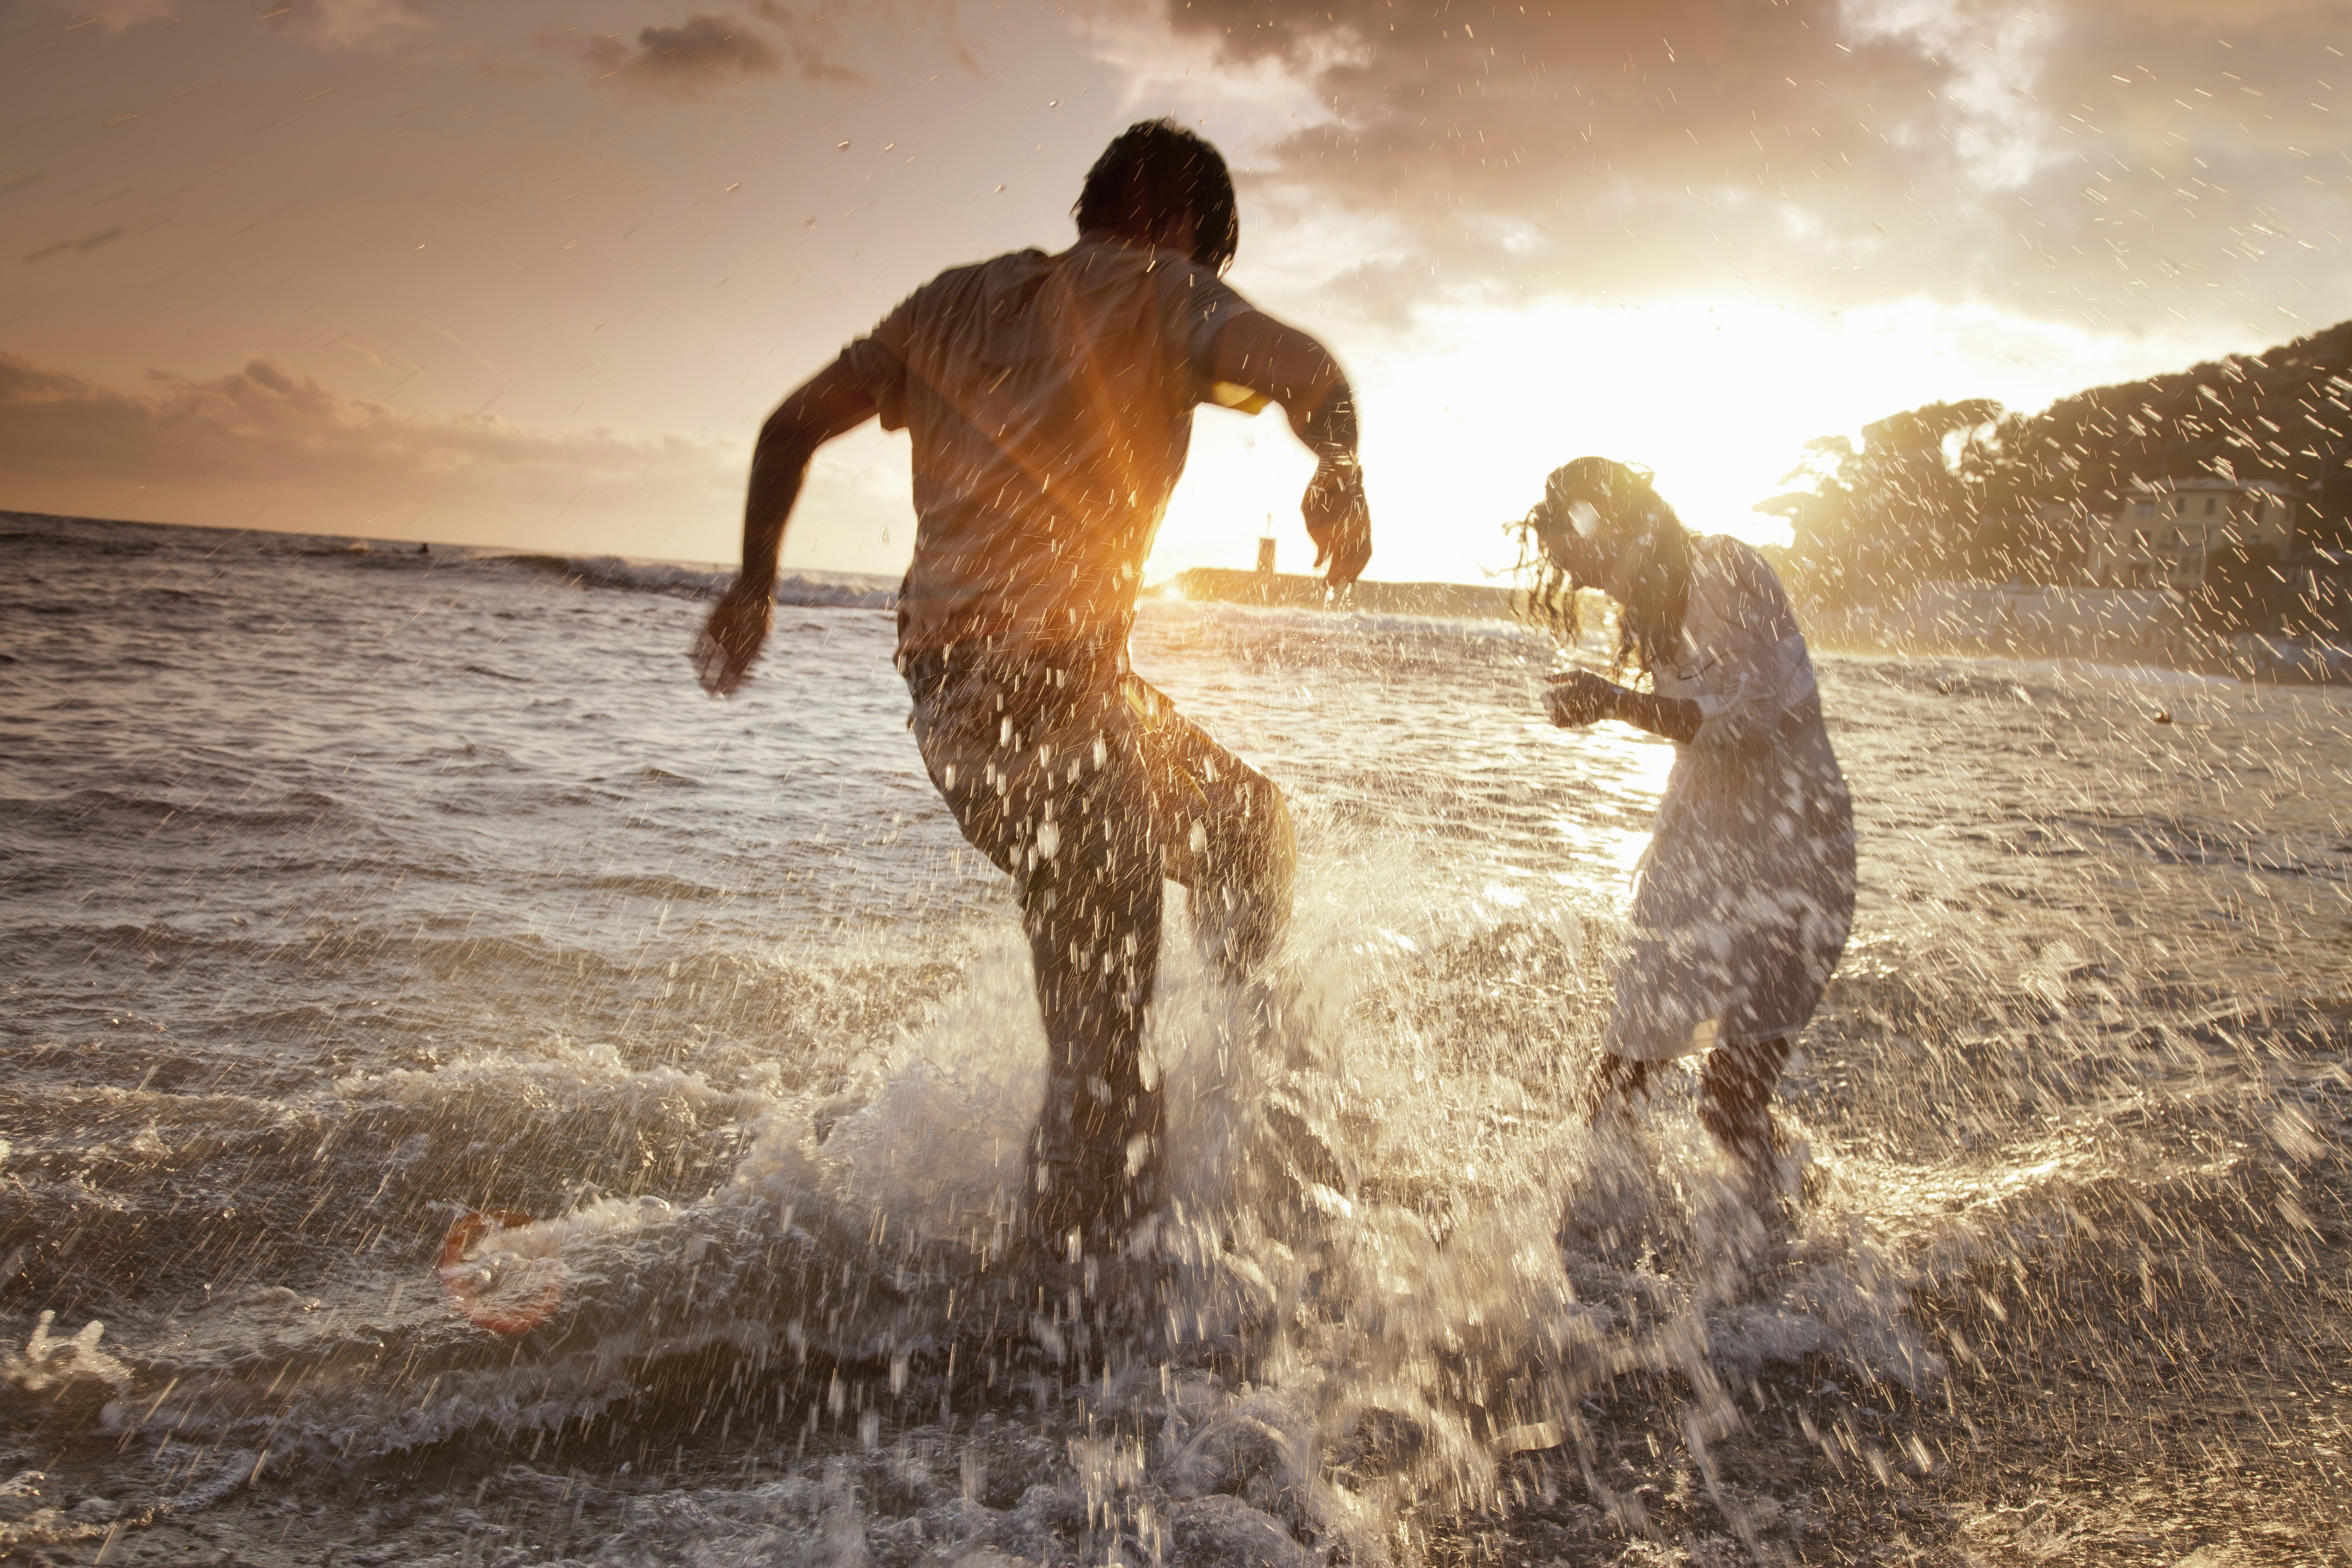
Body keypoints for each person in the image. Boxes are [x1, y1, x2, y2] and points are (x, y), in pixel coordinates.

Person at [691, 119, 1373, 1257]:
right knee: (1106, 1063)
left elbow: (788, 429)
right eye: (1208, 258)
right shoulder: (1167, 289)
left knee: (1254, 829)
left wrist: (755, 587)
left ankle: (1249, 1097)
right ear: (1172, 223)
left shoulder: (948, 303)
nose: (1208, 283)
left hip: (966, 703)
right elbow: (1312, 372)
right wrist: (1340, 471)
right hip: (1058, 712)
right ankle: (1063, 1335)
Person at [1520, 457, 1854, 1196]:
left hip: (1798, 867)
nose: (1597, 587)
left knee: (1729, 1109)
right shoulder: (1657, 604)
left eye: (1596, 564)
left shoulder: (1725, 568)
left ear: (1622, 525)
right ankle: (1612, 1264)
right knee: (1616, 1091)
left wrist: (1614, 702)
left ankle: (1795, 1257)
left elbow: (1752, 722)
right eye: (1583, 577)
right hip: (1705, 862)